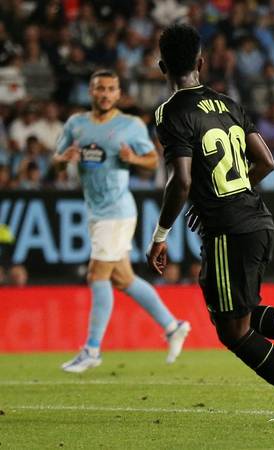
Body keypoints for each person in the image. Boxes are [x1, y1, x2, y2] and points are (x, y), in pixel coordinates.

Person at [146, 24, 274, 423]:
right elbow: (266, 162)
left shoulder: (169, 112)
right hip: (257, 219)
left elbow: (181, 180)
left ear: (161, 67)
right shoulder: (228, 104)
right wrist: (232, 193)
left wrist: (161, 235)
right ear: (201, 63)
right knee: (240, 312)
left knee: (232, 331)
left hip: (228, 229)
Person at [52, 69, 191, 373]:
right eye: (99, 88)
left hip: (117, 211)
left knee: (97, 274)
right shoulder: (76, 124)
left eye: (110, 89)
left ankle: (92, 349)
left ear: (118, 94)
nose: (105, 94)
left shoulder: (130, 125)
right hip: (95, 211)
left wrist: (133, 159)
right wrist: (63, 161)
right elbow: (56, 163)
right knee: (123, 279)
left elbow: (152, 160)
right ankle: (173, 326)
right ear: (91, 91)